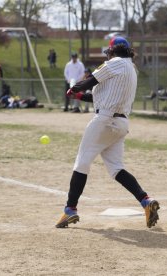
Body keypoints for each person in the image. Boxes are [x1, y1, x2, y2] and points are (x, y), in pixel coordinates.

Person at [56, 36, 160, 229]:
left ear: (112, 51)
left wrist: (73, 89)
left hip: (104, 121)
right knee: (116, 168)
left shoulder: (114, 63)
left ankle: (70, 209)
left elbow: (89, 81)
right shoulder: (131, 69)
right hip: (120, 123)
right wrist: (80, 95)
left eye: (109, 52)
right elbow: (98, 94)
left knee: (82, 163)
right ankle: (145, 200)